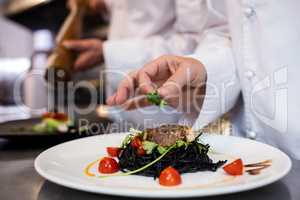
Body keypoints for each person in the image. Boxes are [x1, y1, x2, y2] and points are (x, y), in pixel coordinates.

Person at [107, 0, 300, 159]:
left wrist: (106, 52)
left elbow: (190, 33)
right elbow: (225, 30)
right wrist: (204, 68)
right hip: (245, 152)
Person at [66, 0, 227, 128]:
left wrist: (107, 52)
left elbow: (193, 39)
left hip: (167, 106)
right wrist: (104, 4)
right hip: (120, 103)